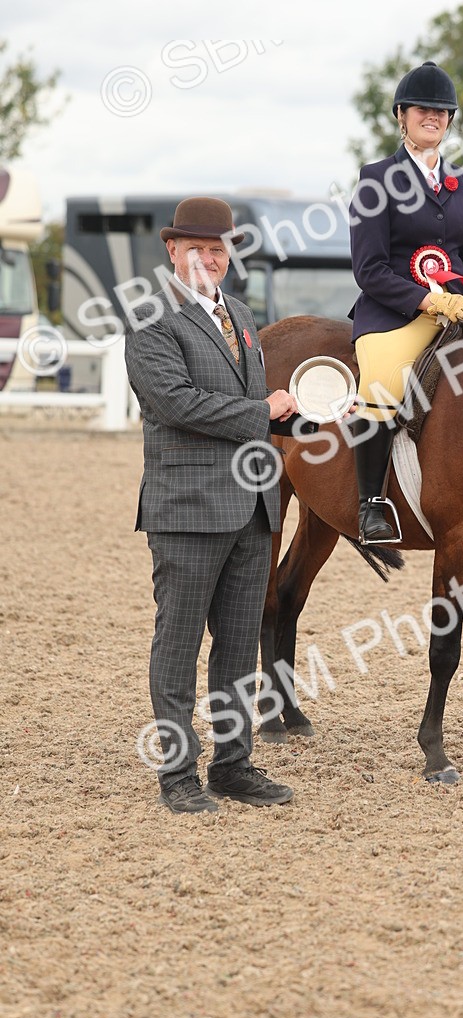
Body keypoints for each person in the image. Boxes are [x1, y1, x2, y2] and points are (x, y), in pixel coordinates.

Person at [125, 196, 304, 815]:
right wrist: (264, 411)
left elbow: (255, 406)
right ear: (172, 252)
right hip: (188, 508)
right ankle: (177, 774)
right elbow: (177, 404)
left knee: (235, 648)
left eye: (219, 247)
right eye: (198, 248)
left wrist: (305, 414)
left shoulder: (244, 316)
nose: (210, 257)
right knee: (177, 645)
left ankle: (233, 765)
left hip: (252, 508)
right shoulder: (152, 320)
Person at [348, 60, 463, 543]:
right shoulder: (376, 179)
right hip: (394, 314)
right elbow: (369, 269)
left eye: (442, 112)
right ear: (402, 116)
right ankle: (371, 502)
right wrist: (427, 302)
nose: (433, 117)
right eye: (423, 109)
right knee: (381, 382)